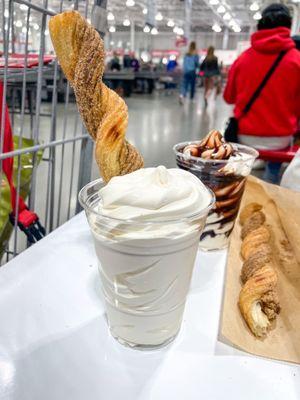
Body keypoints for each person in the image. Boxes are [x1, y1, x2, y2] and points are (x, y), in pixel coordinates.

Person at [224, 4, 300, 184]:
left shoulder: (242, 59)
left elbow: (229, 97)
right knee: (273, 174)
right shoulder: (297, 60)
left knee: (243, 178)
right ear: (288, 26)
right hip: (280, 138)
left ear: (260, 26)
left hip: (245, 136)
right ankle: (270, 179)